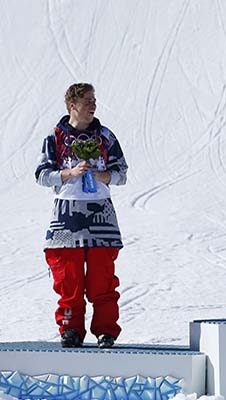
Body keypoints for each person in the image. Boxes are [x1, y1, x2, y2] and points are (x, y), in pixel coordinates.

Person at [35, 83, 128, 348]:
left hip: (101, 216)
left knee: (103, 279)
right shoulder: (54, 137)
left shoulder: (105, 136)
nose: (93, 105)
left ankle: (106, 330)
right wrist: (67, 173)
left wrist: (103, 175)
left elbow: (122, 172)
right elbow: (41, 174)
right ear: (72, 105)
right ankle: (70, 329)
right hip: (66, 216)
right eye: (87, 100)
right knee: (68, 280)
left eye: (94, 100)